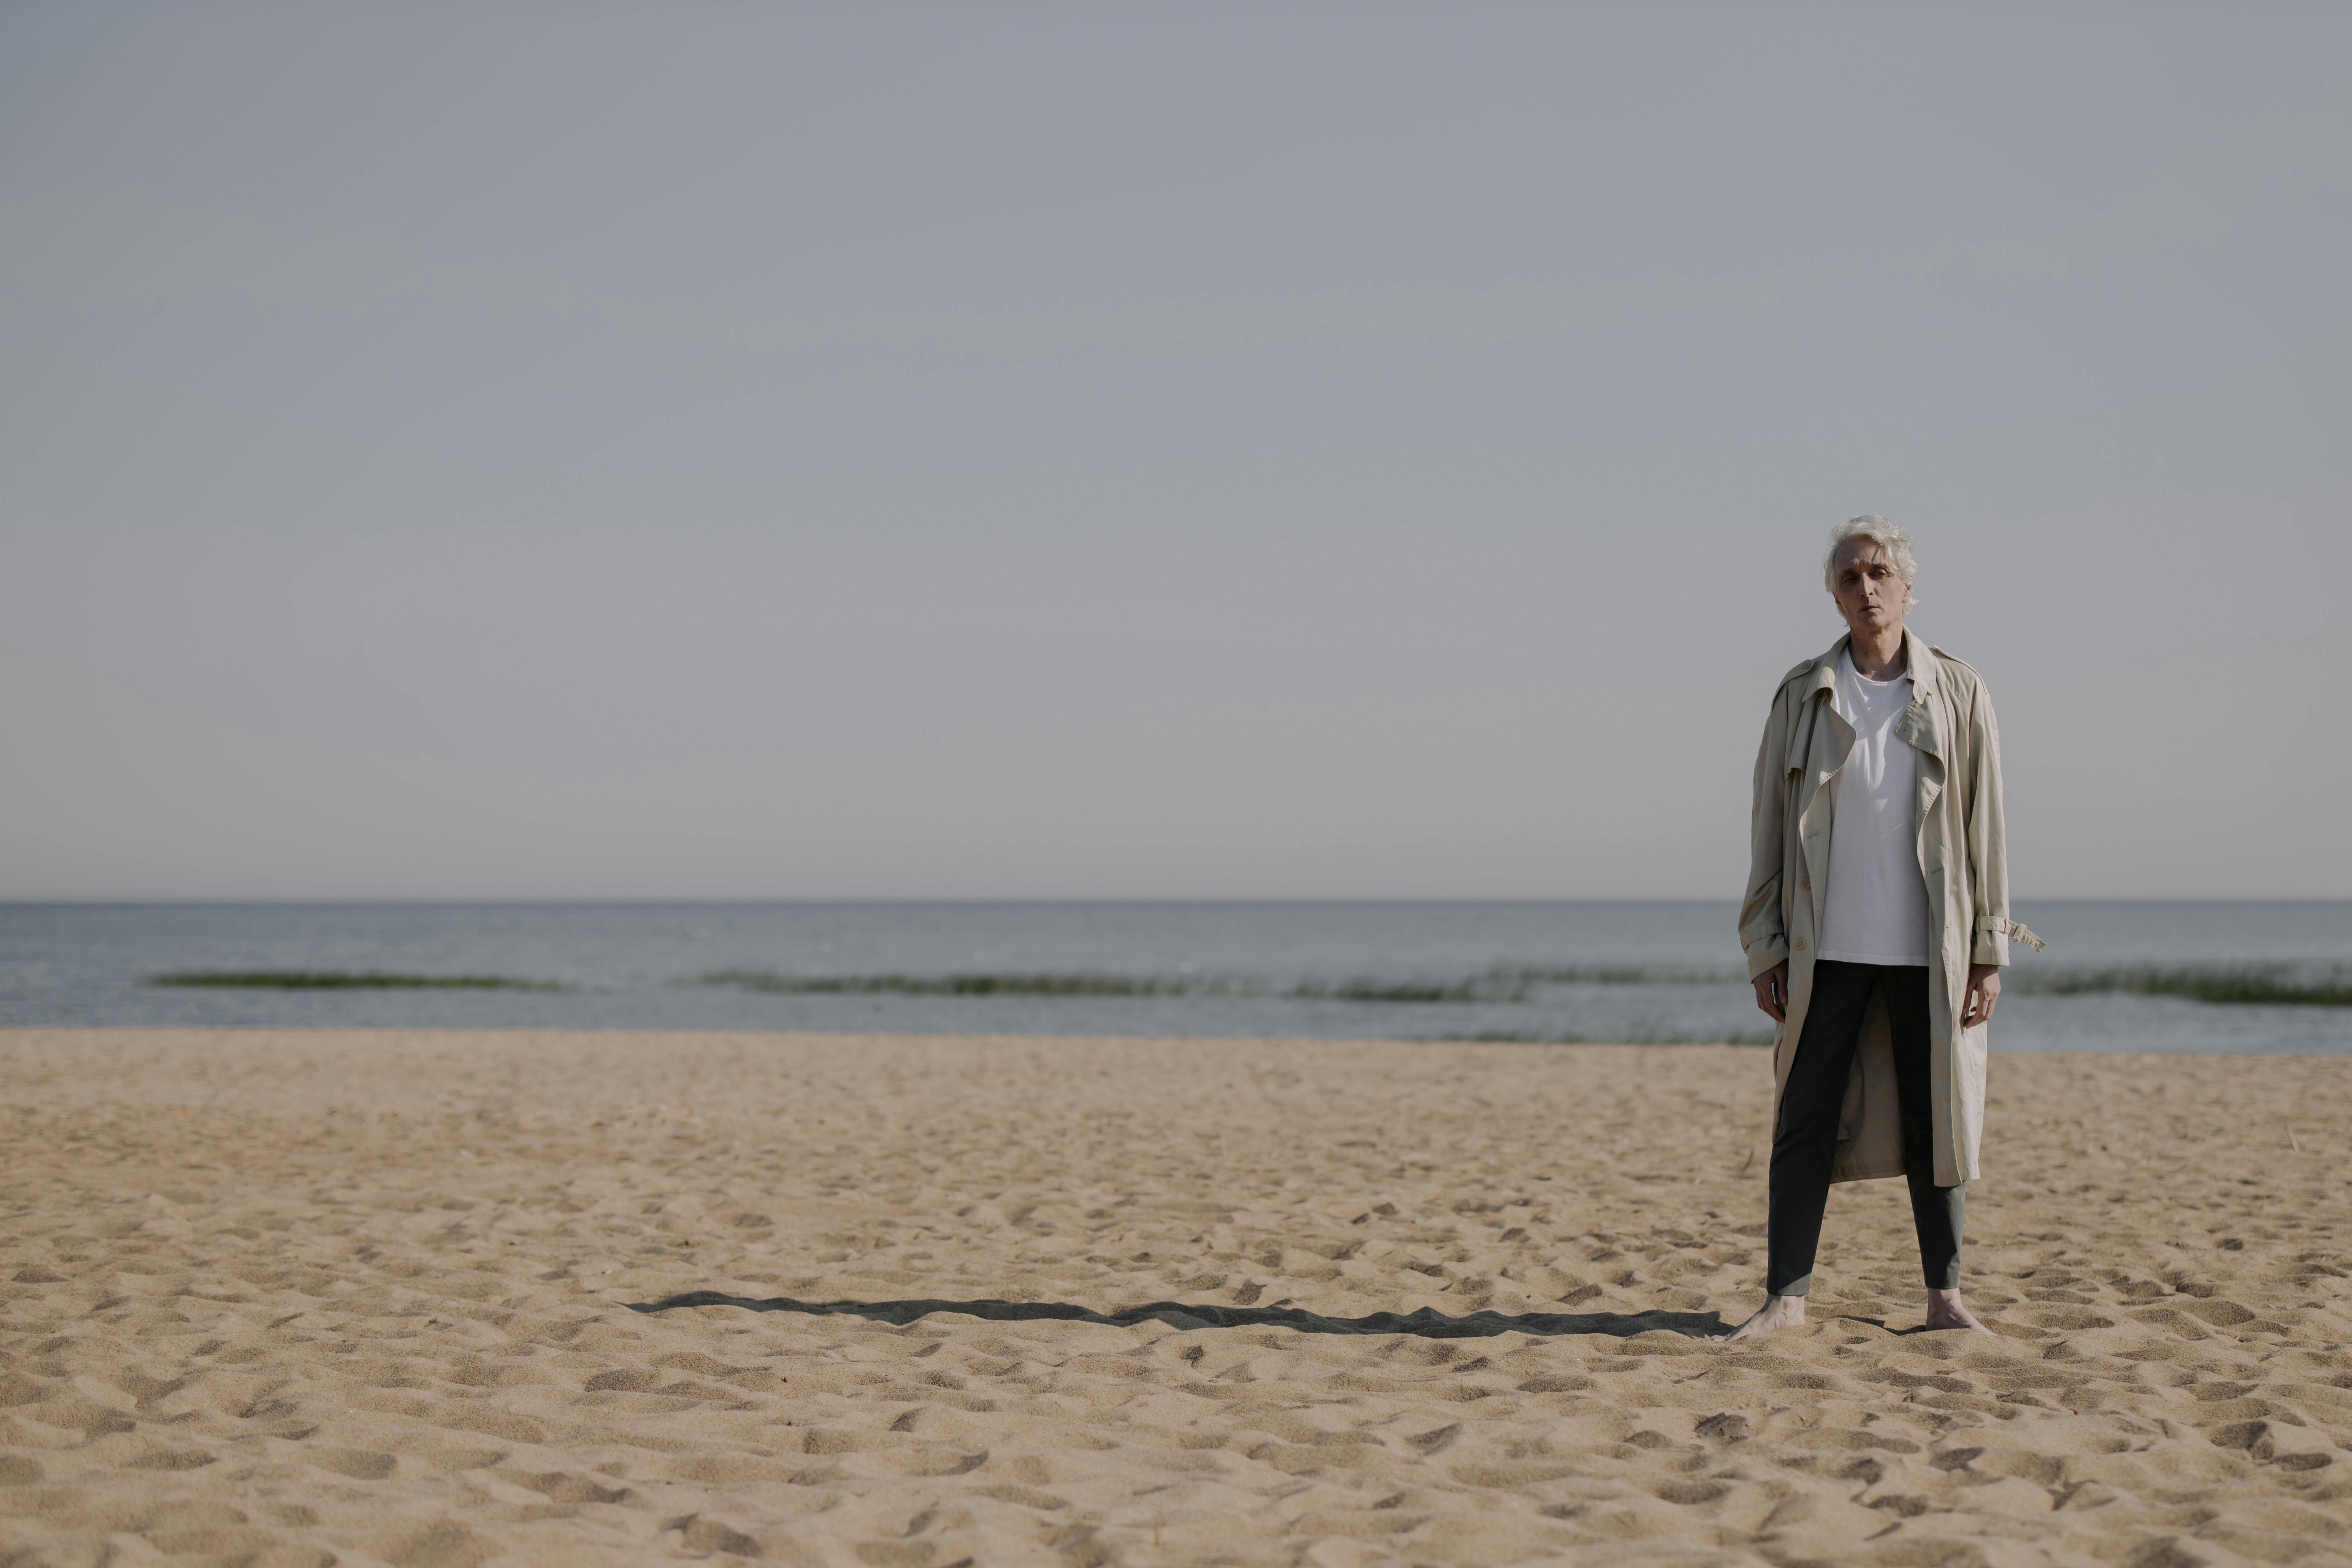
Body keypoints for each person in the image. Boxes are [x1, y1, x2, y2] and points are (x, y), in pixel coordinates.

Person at [1727, 516, 2040, 1340]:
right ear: (1834, 596)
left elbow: (1986, 829)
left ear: (1907, 587)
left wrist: (1988, 950)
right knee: (1801, 1118)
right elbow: (1767, 827)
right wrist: (1764, 946)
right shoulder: (1801, 694)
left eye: (1878, 574)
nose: (1865, 590)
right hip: (1821, 948)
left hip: (1927, 951)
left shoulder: (1959, 691)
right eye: (1849, 579)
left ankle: (1945, 1299)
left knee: (1937, 1120)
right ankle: (1785, 1301)